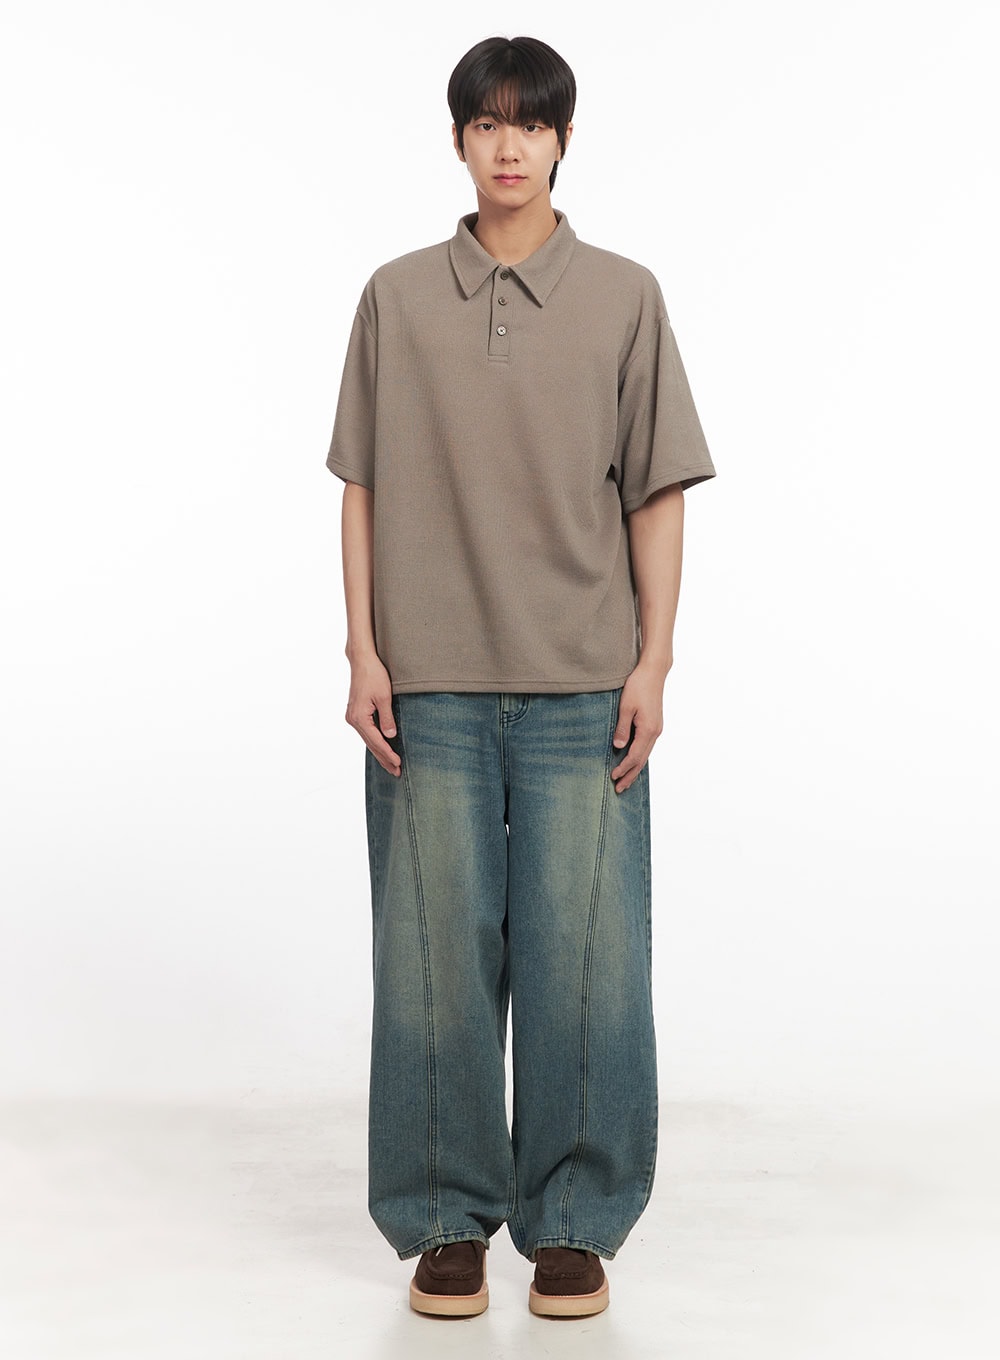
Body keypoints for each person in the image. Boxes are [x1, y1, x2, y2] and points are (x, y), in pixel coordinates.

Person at [326, 34, 716, 1319]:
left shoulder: (623, 296)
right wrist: (362, 647)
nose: (509, 146)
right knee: (432, 959)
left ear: (562, 141)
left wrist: (654, 658)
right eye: (487, 124)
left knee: (585, 962)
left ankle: (573, 1224)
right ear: (456, 140)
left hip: (582, 682)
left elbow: (656, 490)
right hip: (426, 683)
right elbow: (361, 483)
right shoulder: (393, 296)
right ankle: (444, 1219)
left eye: (531, 124)